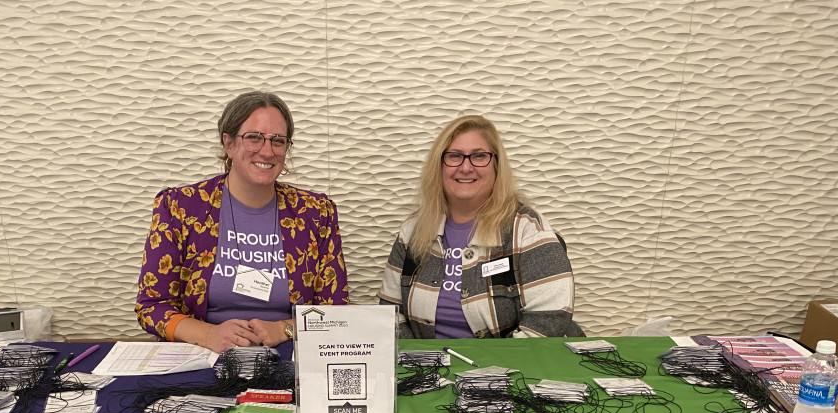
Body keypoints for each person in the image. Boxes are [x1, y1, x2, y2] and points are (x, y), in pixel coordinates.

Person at [136, 91, 349, 351]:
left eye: (278, 141)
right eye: (254, 138)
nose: (267, 151)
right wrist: (208, 335)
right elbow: (152, 306)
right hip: (203, 354)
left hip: (289, 356)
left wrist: (285, 329)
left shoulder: (316, 213)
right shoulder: (180, 207)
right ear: (229, 143)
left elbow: (335, 310)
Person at [378, 115, 583, 339]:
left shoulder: (527, 228)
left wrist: (491, 371)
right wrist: (419, 363)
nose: (466, 167)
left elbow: (550, 319)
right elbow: (390, 314)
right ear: (439, 166)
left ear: (496, 165)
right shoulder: (413, 231)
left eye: (479, 156)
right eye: (454, 156)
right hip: (431, 368)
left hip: (512, 368)